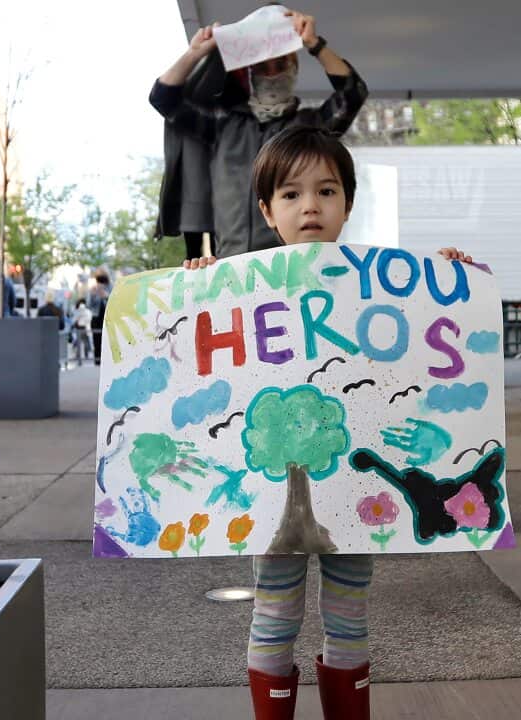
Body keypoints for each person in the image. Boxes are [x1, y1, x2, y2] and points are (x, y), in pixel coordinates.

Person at [182, 126, 472, 720]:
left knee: (348, 617)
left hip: (355, 490)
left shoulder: (380, 281)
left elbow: (417, 342)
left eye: (326, 190)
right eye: (290, 195)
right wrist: (201, 281)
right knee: (274, 613)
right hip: (275, 493)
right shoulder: (239, 285)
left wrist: (448, 282)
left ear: (348, 202)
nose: (309, 205)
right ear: (266, 208)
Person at [150, 8, 368, 258]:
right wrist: (196, 53)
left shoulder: (310, 126)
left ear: (294, 68)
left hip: (294, 262)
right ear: (250, 73)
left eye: (280, 63)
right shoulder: (223, 125)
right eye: (263, 66)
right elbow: (163, 98)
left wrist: (315, 45)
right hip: (231, 264)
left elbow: (353, 95)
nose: (273, 72)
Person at [86, 271, 111, 364]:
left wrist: (105, 296)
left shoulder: (109, 289)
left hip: (107, 318)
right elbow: (88, 305)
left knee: (106, 343)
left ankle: (106, 363)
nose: (100, 285)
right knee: (96, 341)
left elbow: (112, 303)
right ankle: (97, 362)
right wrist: (93, 295)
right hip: (96, 319)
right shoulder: (93, 290)